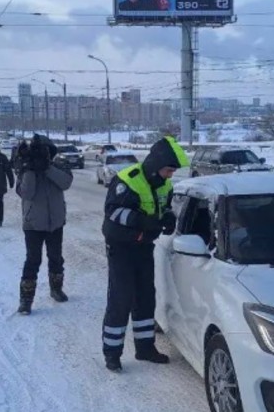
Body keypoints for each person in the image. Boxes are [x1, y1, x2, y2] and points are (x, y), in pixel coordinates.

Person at [100, 136, 190, 372]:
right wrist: (143, 221)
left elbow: (165, 206)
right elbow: (113, 212)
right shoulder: (128, 180)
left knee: (145, 297)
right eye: (168, 170)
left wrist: (168, 217)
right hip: (121, 246)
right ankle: (112, 352)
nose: (170, 175)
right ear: (156, 163)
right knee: (121, 298)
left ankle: (145, 348)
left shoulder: (165, 183)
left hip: (144, 245)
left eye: (172, 171)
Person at [15, 134, 74, 315]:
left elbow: (66, 183)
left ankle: (56, 289)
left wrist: (47, 168)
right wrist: (31, 169)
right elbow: (26, 193)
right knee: (33, 260)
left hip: (55, 222)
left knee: (56, 257)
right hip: (33, 224)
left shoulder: (57, 166)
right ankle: (26, 300)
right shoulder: (25, 169)